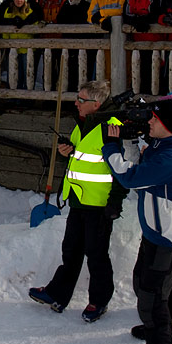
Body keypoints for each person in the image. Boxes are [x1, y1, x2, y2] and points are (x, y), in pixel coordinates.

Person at [106, 96, 172, 344]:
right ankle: (154, 331)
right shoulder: (161, 145)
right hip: (154, 231)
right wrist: (129, 141)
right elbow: (139, 165)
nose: (148, 120)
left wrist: (110, 148)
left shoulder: (171, 155)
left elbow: (130, 177)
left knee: (153, 300)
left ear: (167, 124)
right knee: (143, 286)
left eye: (153, 118)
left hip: (166, 238)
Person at [31, 80, 127, 324]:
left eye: (81, 100)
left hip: (99, 205)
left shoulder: (111, 127)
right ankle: (57, 294)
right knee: (71, 251)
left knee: (96, 255)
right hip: (78, 200)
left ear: (96, 104)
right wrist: (69, 152)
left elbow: (119, 168)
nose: (76, 103)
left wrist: (115, 202)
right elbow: (83, 159)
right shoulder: (81, 124)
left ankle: (99, 300)